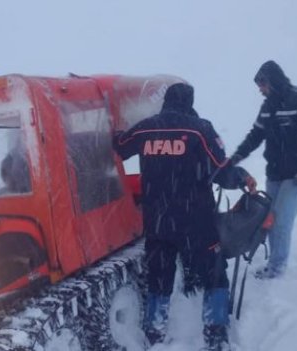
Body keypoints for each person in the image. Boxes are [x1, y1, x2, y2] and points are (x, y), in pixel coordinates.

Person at [113, 83, 257, 351]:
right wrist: (242, 178)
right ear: (190, 102)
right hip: (196, 219)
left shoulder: (146, 128)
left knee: (159, 275)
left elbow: (119, 146)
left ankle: (154, 334)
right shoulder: (199, 129)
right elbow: (222, 170)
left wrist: (113, 127)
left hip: (157, 219)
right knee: (214, 274)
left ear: (166, 101)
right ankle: (215, 337)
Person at [230, 61, 297, 279]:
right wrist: (237, 156)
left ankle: (277, 270)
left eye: (262, 84)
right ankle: (275, 264)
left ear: (273, 81)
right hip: (274, 173)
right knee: (270, 218)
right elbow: (256, 135)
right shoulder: (268, 107)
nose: (260, 89)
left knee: (281, 220)